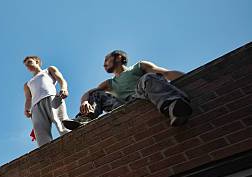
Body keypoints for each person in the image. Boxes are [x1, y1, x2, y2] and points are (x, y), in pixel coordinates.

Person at [63, 50, 192, 130]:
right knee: (96, 93)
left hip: (142, 95)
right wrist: (84, 102)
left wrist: (192, 79)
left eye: (107, 59)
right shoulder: (110, 83)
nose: (104, 64)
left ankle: (174, 107)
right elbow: (88, 93)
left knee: (148, 77)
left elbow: (166, 73)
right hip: (123, 105)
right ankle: (84, 119)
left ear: (118, 57)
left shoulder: (139, 66)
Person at [23, 56, 70, 147]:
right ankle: (47, 153)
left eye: (29, 62)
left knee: (62, 123)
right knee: (40, 133)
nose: (28, 66)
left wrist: (64, 89)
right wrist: (26, 108)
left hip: (52, 98)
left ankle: (74, 141)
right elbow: (28, 98)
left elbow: (61, 80)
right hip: (36, 106)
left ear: (37, 61)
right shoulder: (27, 84)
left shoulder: (49, 70)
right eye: (26, 65)